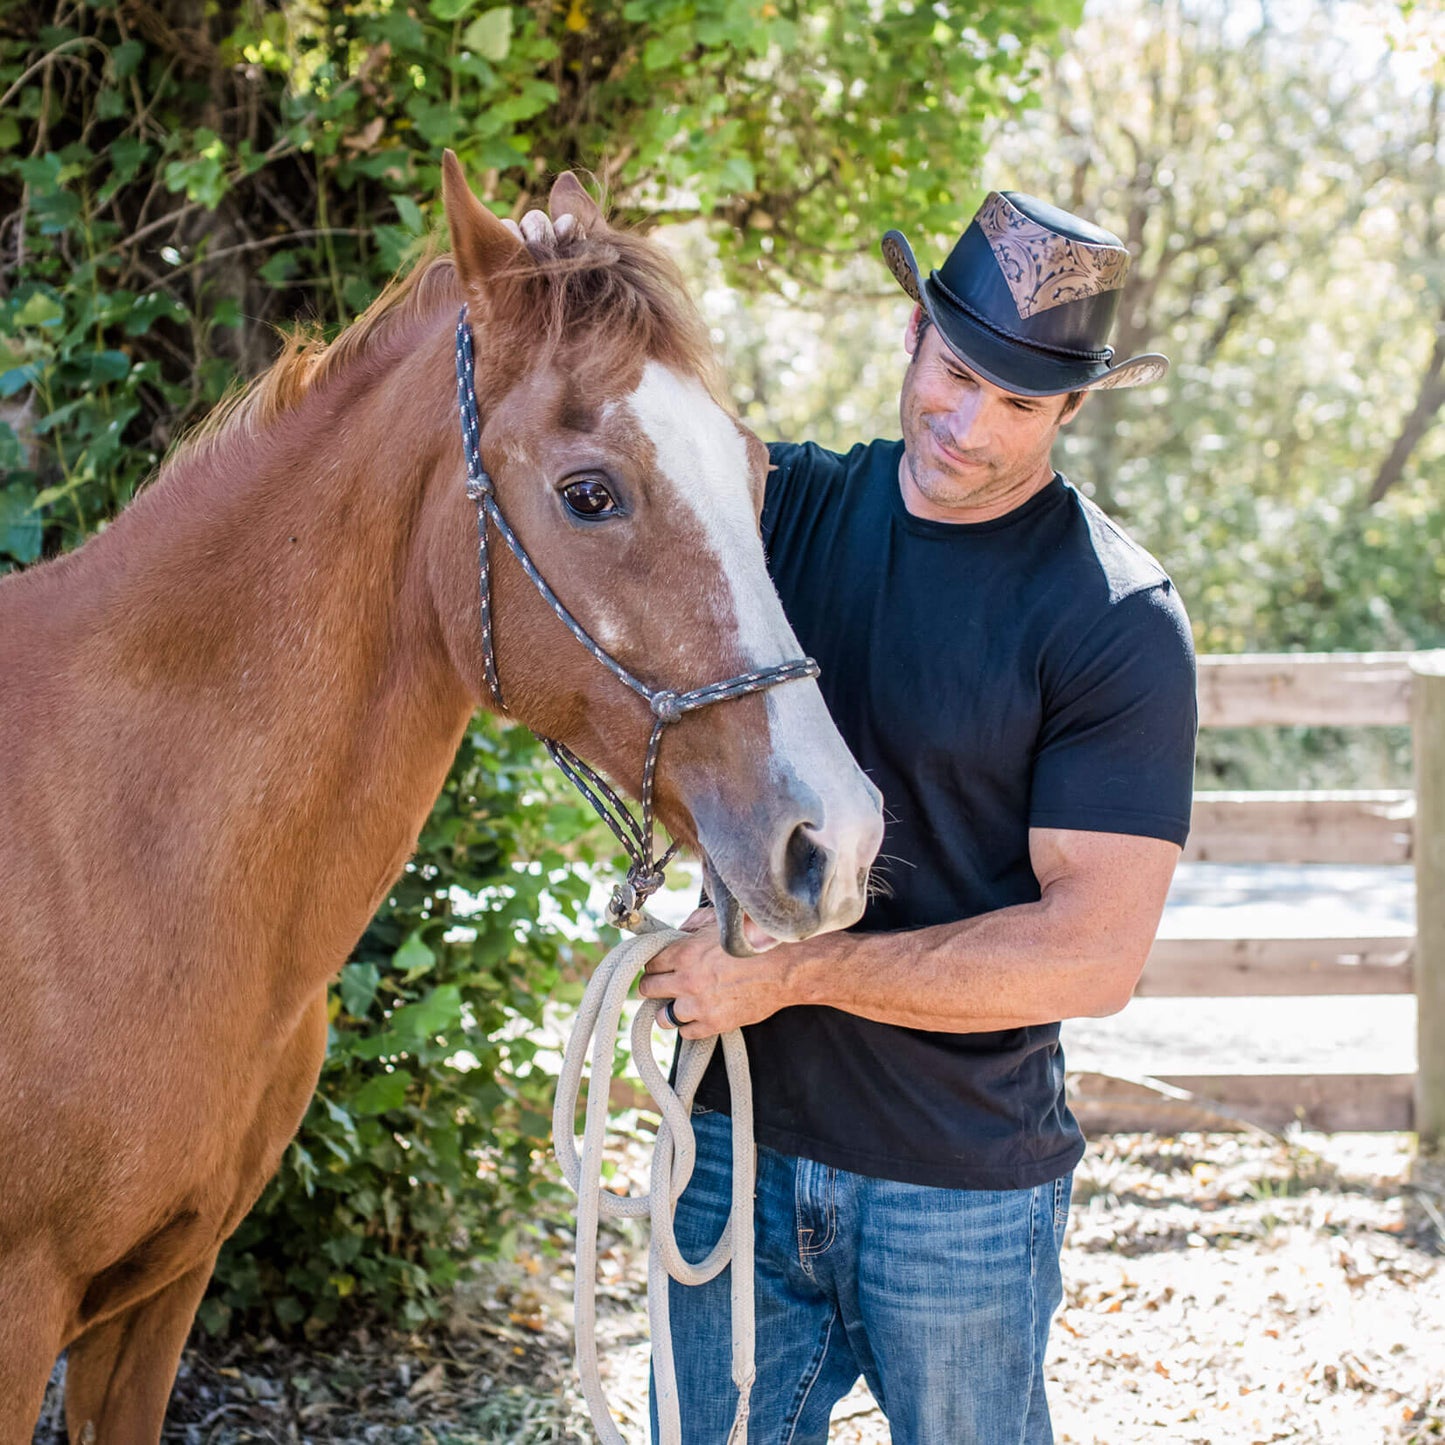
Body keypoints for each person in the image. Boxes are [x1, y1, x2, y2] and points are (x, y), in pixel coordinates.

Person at [506, 190, 1196, 1442]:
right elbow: (628, 444)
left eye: (1017, 403)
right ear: (912, 335)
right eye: (954, 373)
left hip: (958, 1188)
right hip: (734, 1152)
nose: (966, 426)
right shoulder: (783, 511)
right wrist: (563, 300)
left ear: (1071, 411)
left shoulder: (1111, 616)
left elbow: (1092, 954)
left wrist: (787, 976)